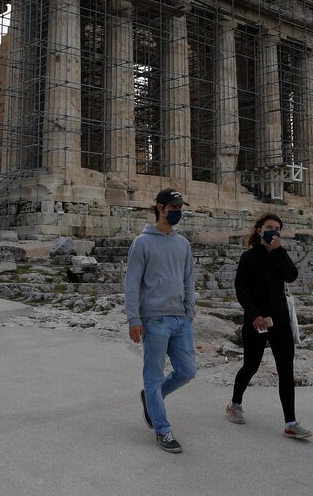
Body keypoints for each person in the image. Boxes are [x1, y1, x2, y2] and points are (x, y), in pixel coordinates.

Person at [225, 212, 311, 439]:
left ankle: (290, 422)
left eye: (278, 229)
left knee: (286, 371)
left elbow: (292, 276)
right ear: (259, 230)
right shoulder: (249, 257)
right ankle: (235, 404)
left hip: (280, 321)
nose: (274, 231)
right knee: (250, 366)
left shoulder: (279, 254)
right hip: (257, 322)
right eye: (270, 227)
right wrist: (253, 315)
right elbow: (241, 290)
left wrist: (279, 251)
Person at [125, 188, 197, 453]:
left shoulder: (183, 244)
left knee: (187, 371)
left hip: (181, 319)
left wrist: (190, 311)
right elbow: (132, 282)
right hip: (154, 319)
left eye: (180, 208)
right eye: (173, 207)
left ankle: (151, 399)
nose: (178, 212)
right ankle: (163, 430)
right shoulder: (142, 242)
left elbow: (189, 278)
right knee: (153, 376)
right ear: (160, 207)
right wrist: (134, 318)